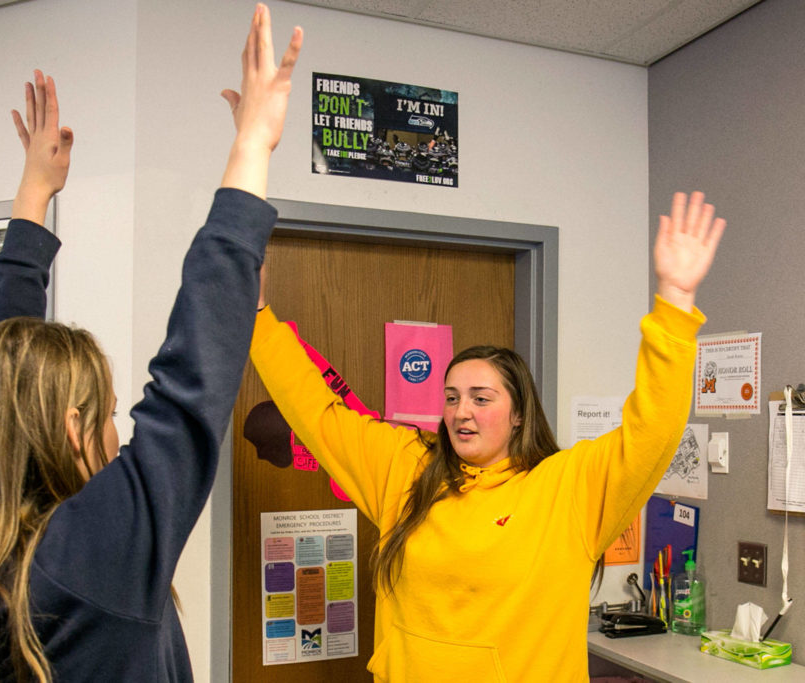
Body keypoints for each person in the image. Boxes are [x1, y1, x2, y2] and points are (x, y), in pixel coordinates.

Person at [0, 5, 302, 681]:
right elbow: (189, 386)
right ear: (70, 425)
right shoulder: (92, 554)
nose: (120, 432)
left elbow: (7, 374)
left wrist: (34, 197)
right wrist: (252, 146)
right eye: (110, 412)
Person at [250, 191, 725, 681]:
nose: (461, 412)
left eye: (481, 398)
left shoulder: (567, 488)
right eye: (451, 397)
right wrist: (258, 316)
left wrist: (675, 303)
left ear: (519, 414)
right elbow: (317, 415)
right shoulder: (404, 467)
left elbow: (653, 430)